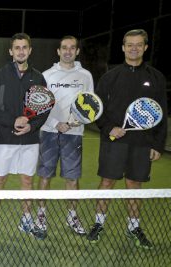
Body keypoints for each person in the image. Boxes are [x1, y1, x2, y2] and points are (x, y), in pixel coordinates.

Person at [87, 29, 167, 249]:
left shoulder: (156, 78)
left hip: (142, 144)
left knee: (134, 185)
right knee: (107, 182)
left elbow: (161, 113)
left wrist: (157, 144)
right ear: (123, 47)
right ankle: (98, 223)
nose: (134, 48)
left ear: (145, 47)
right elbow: (97, 109)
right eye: (129, 44)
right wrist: (109, 128)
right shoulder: (110, 77)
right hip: (114, 142)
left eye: (138, 44)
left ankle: (134, 227)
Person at [0, 33, 49, 241]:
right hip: (5, 137)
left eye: (24, 47)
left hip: (30, 138)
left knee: (27, 180)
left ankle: (26, 220)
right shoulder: (0, 75)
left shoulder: (38, 77)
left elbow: (44, 109)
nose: (20, 51)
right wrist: (13, 121)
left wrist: (31, 126)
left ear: (30, 50)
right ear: (11, 51)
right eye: (16, 47)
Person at [34, 36, 94, 237]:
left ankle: (72, 216)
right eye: (64, 48)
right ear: (58, 51)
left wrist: (72, 123)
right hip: (49, 133)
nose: (68, 51)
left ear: (77, 51)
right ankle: (41, 215)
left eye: (72, 48)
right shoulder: (47, 75)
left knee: (72, 178)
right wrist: (55, 123)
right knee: (44, 176)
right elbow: (41, 106)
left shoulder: (85, 76)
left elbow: (91, 106)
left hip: (74, 134)